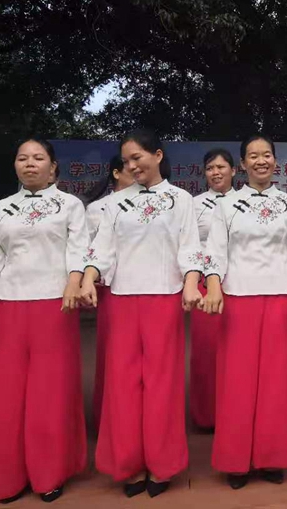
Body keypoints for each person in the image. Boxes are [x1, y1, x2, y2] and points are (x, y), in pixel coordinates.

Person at [78, 129, 204, 498]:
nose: (132, 166)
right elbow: (101, 249)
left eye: (138, 157)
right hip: (121, 298)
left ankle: (162, 464)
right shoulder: (115, 203)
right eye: (126, 161)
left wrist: (191, 283)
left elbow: (190, 248)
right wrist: (88, 278)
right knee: (123, 384)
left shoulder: (181, 200)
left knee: (161, 383)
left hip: (163, 297)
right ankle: (128, 463)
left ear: (158, 155)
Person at [0, 139, 88, 503]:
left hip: (55, 304)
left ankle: (48, 473)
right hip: (11, 304)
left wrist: (74, 282)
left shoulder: (70, 205)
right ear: (15, 165)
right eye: (22, 158)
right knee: (8, 393)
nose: (30, 163)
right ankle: (8, 476)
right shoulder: (1, 209)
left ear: (53, 166)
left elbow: (78, 250)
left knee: (50, 392)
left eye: (38, 158)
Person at [202, 136, 287, 489]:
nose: (261, 161)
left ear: (275, 162)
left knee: (276, 381)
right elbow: (215, 251)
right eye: (254, 156)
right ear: (243, 164)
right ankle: (235, 460)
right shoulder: (226, 205)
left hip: (281, 296)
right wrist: (214, 286)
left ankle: (271, 457)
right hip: (238, 297)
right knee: (237, 381)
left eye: (267, 155)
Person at [83, 155, 135, 434]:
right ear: (116, 173)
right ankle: (106, 413)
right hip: (110, 286)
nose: (136, 171)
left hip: (142, 284)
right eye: (129, 168)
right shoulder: (97, 209)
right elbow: (92, 248)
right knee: (111, 353)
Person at [190, 148, 237, 431]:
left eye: (221, 167)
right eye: (210, 168)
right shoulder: (194, 205)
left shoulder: (244, 202)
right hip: (205, 283)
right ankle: (206, 415)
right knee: (207, 350)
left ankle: (234, 411)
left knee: (235, 352)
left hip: (239, 283)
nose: (216, 172)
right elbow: (189, 245)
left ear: (234, 170)